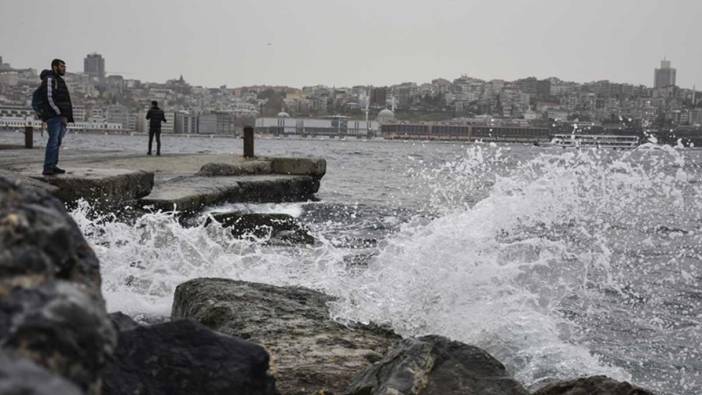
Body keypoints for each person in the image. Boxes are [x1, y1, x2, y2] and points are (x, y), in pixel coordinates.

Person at [40, 59, 73, 175]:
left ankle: (53, 165)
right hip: (54, 117)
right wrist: (58, 112)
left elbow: (64, 100)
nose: (64, 68)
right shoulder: (50, 79)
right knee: (53, 141)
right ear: (55, 67)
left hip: (61, 117)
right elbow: (49, 97)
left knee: (57, 142)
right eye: (62, 66)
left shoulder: (60, 80)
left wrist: (66, 116)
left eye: (64, 66)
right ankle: (48, 167)